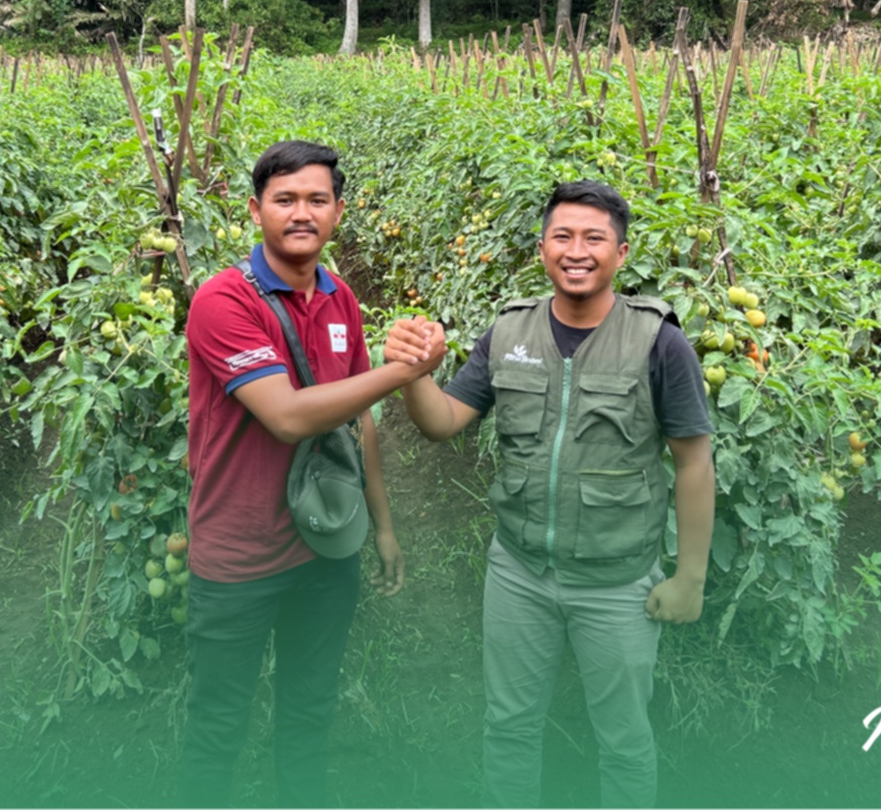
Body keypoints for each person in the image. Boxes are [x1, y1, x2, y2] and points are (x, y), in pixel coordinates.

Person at [383, 180, 716, 808]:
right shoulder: (511, 330)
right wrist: (413, 374)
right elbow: (442, 421)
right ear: (542, 249)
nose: (577, 250)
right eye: (562, 236)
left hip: (617, 580)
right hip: (519, 572)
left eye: (595, 238)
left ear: (621, 253)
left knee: (622, 738)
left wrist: (689, 577)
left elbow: (694, 461)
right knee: (509, 727)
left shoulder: (658, 342)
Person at [181, 140, 445, 808]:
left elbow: (356, 425)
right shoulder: (221, 301)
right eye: (285, 199)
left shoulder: (340, 299)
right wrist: (401, 371)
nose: (301, 213)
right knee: (218, 725)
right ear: (255, 209)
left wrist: (381, 526)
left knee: (308, 711)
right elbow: (289, 417)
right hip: (238, 554)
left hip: (325, 550)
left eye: (316, 199)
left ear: (337, 212)